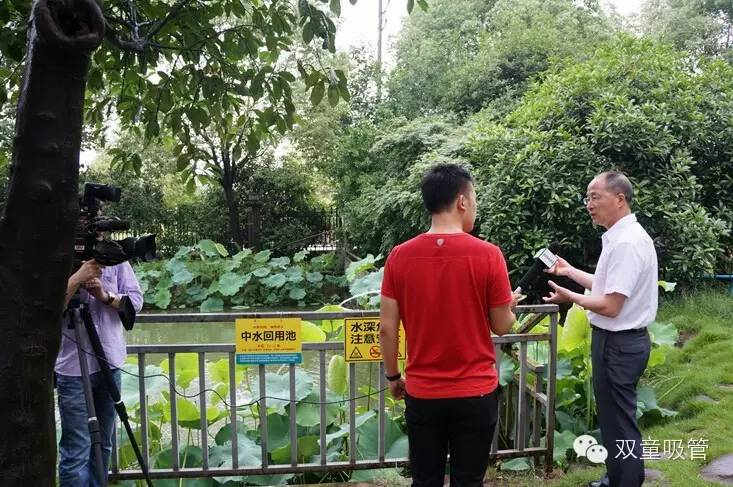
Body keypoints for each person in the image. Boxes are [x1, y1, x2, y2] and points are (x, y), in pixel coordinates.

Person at [379, 164, 521, 487]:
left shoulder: (399, 257)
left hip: (423, 392)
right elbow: (502, 326)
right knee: (468, 481)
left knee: (425, 480)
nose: (475, 207)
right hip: (475, 392)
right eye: (475, 200)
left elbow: (387, 328)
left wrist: (393, 377)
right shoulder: (489, 255)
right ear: (461, 201)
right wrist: (510, 307)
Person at [543, 171, 657, 487]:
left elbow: (610, 305)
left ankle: (626, 482)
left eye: (595, 197)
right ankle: (615, 479)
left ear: (620, 199)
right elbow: (607, 286)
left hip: (619, 344)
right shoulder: (620, 237)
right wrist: (569, 272)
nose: (589, 204)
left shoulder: (627, 243)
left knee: (620, 423)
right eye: (587, 198)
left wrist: (571, 297)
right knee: (612, 420)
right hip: (618, 342)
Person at [56, 257, 143, 487]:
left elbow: (136, 302)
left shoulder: (115, 259)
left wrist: (104, 296)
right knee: (77, 449)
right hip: (72, 369)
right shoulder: (59, 255)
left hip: (109, 363)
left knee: (103, 444)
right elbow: (45, 310)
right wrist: (77, 278)